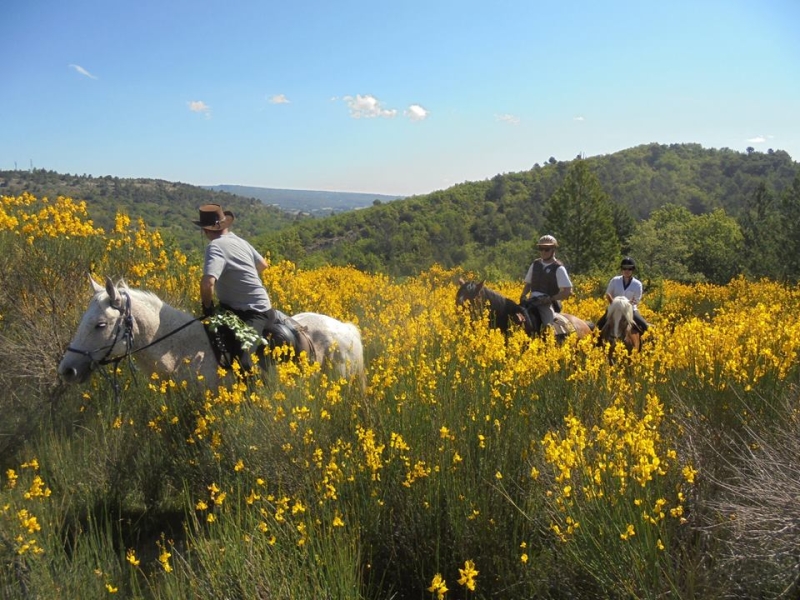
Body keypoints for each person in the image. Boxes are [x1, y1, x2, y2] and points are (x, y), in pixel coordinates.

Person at [195, 203, 276, 372]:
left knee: (244, 362)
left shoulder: (215, 246)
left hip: (254, 311)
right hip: (236, 308)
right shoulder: (240, 241)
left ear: (205, 231)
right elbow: (263, 264)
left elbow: (208, 283)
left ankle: (258, 394)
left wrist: (207, 307)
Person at [519, 235, 573, 333]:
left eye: (546, 249)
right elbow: (528, 284)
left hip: (546, 303)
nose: (543, 252)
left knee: (548, 326)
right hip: (531, 301)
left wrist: (550, 299)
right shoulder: (535, 264)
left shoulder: (559, 268)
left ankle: (554, 343)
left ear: (553, 249)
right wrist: (523, 295)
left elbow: (567, 291)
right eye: (541, 248)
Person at [596, 256, 649, 334]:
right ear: (621, 269)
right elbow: (608, 293)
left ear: (633, 270)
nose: (626, 271)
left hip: (630, 310)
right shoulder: (615, 280)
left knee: (645, 326)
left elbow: (636, 300)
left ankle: (648, 344)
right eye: (624, 268)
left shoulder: (637, 284)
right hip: (614, 308)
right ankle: (595, 343)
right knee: (598, 326)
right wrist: (614, 302)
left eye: (629, 269)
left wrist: (627, 304)